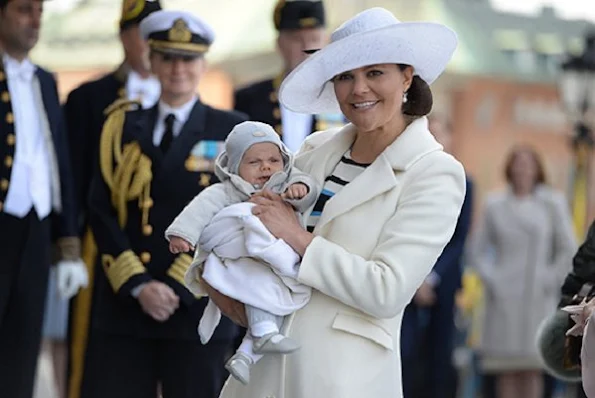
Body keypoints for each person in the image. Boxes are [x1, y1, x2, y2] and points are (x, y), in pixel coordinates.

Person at [199, 7, 466, 398]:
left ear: (406, 75)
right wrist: (219, 282)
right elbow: (257, 236)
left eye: (374, 72)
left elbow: (386, 291)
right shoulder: (314, 150)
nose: (358, 89)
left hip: (343, 381)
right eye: (345, 76)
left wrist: (298, 239)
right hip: (263, 378)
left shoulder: (435, 173)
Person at [81, 9, 246, 398]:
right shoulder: (119, 127)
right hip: (127, 305)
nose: (178, 69)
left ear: (203, 64)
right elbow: (100, 208)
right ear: (151, 61)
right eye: (167, 57)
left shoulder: (232, 130)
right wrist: (138, 284)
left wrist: (175, 283)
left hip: (197, 303)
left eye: (188, 59)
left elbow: (235, 215)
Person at [166, 120, 319, 384]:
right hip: (244, 258)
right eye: (254, 162)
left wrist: (300, 190)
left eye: (274, 159)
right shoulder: (226, 191)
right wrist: (183, 234)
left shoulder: (285, 184)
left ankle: (244, 356)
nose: (266, 167)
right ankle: (257, 341)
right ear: (235, 167)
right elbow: (199, 210)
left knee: (269, 299)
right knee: (258, 293)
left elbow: (308, 188)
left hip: (275, 259)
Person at [62, 2, 162, 396]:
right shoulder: (89, 98)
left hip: (163, 245)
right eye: (142, 33)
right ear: (124, 36)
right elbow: (72, 176)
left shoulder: (179, 98)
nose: (151, 46)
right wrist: (68, 245)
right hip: (101, 244)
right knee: (93, 359)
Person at [0, 0, 88, 397]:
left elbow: (59, 163)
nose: (35, 20)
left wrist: (67, 243)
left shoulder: (44, 79)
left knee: (23, 344)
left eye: (39, 11)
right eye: (23, 9)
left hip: (36, 228)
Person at [471, 145, 577, 398]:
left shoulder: (553, 203)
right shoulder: (495, 204)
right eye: (517, 163)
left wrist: (550, 277)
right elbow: (476, 250)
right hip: (503, 299)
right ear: (509, 168)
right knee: (507, 370)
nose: (522, 169)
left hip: (537, 297)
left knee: (532, 370)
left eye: (528, 163)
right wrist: (493, 279)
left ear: (537, 169)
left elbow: (568, 248)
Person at [400, 113, 474, 398]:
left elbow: (459, 238)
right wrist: (415, 279)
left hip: (442, 284)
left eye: (441, 133)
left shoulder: (466, 183)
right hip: (404, 281)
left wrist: (430, 279)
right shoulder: (405, 179)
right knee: (405, 355)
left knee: (439, 360)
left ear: (451, 138)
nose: (435, 139)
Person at [234, 0, 344, 152]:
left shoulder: (341, 94)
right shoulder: (249, 99)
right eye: (297, 40)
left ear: (325, 42)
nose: (306, 48)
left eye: (314, 39)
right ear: (279, 44)